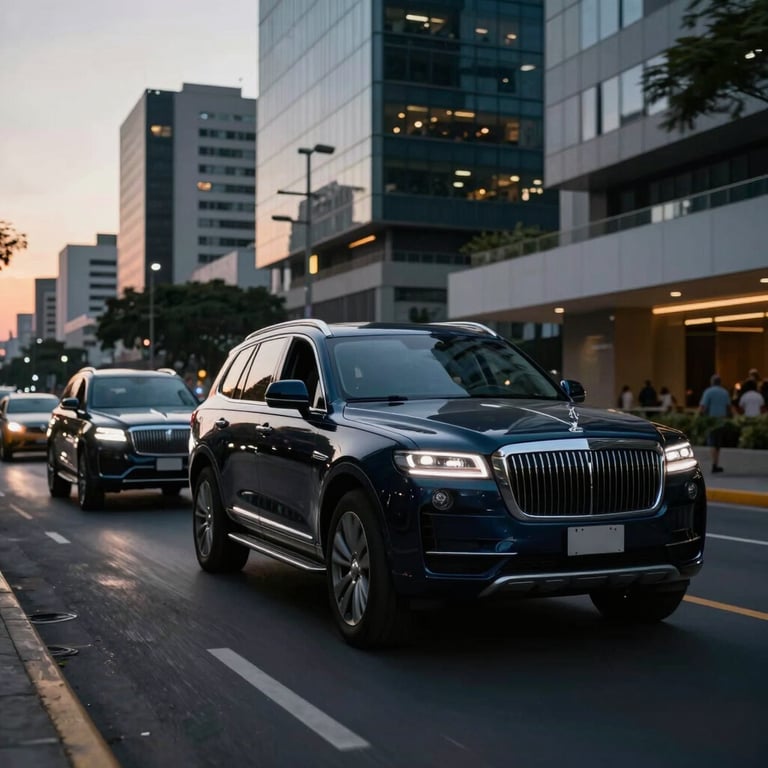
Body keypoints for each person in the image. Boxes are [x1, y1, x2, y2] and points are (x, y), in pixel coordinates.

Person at [699, 374, 732, 474]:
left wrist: (699, 417)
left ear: (712, 382)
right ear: (720, 382)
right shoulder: (725, 392)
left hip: (711, 421)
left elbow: (703, 407)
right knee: (718, 444)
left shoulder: (708, 392)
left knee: (712, 442)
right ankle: (716, 464)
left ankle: (714, 464)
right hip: (722, 421)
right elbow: (728, 407)